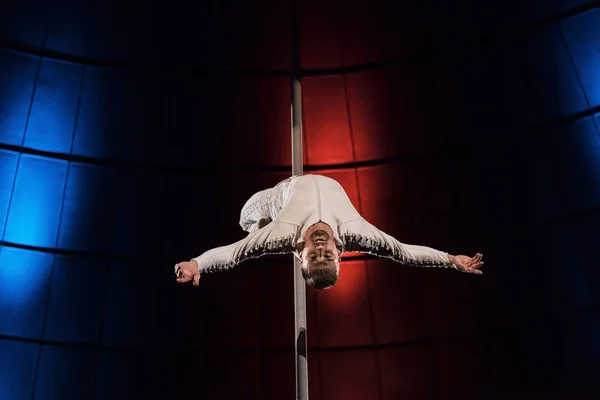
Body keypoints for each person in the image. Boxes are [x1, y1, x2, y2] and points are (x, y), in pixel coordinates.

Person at [174, 174, 484, 290]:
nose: (321, 247)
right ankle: (255, 231)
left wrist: (197, 263)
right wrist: (449, 259)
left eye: (314, 256)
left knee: (247, 226)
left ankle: (255, 231)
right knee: (250, 227)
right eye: (327, 256)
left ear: (301, 256)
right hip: (284, 204)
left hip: (278, 199)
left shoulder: (284, 234)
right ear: (340, 255)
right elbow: (404, 253)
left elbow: (231, 255)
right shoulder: (358, 233)